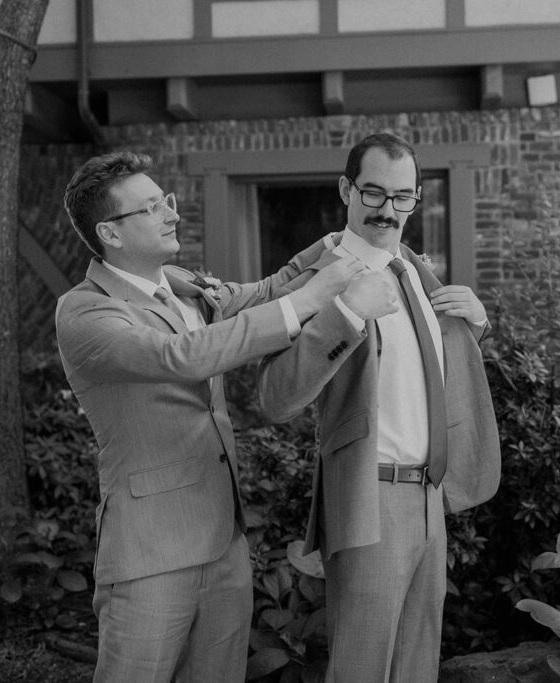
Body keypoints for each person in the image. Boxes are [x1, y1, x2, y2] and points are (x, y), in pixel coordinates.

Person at [55, 150, 365, 682]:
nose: (171, 213)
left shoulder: (181, 288)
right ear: (110, 232)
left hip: (225, 542)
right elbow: (181, 356)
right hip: (151, 553)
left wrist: (340, 243)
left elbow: (267, 293)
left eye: (166, 201)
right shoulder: (85, 312)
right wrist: (315, 297)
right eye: (152, 208)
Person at [257, 132, 501, 682]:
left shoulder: (416, 271)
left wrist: (474, 330)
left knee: (418, 668)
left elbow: (421, 374)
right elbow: (275, 396)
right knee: (362, 671)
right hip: (370, 497)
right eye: (373, 193)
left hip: (430, 499)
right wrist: (343, 312)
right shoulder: (321, 276)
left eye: (402, 197)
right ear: (346, 189)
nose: (388, 210)